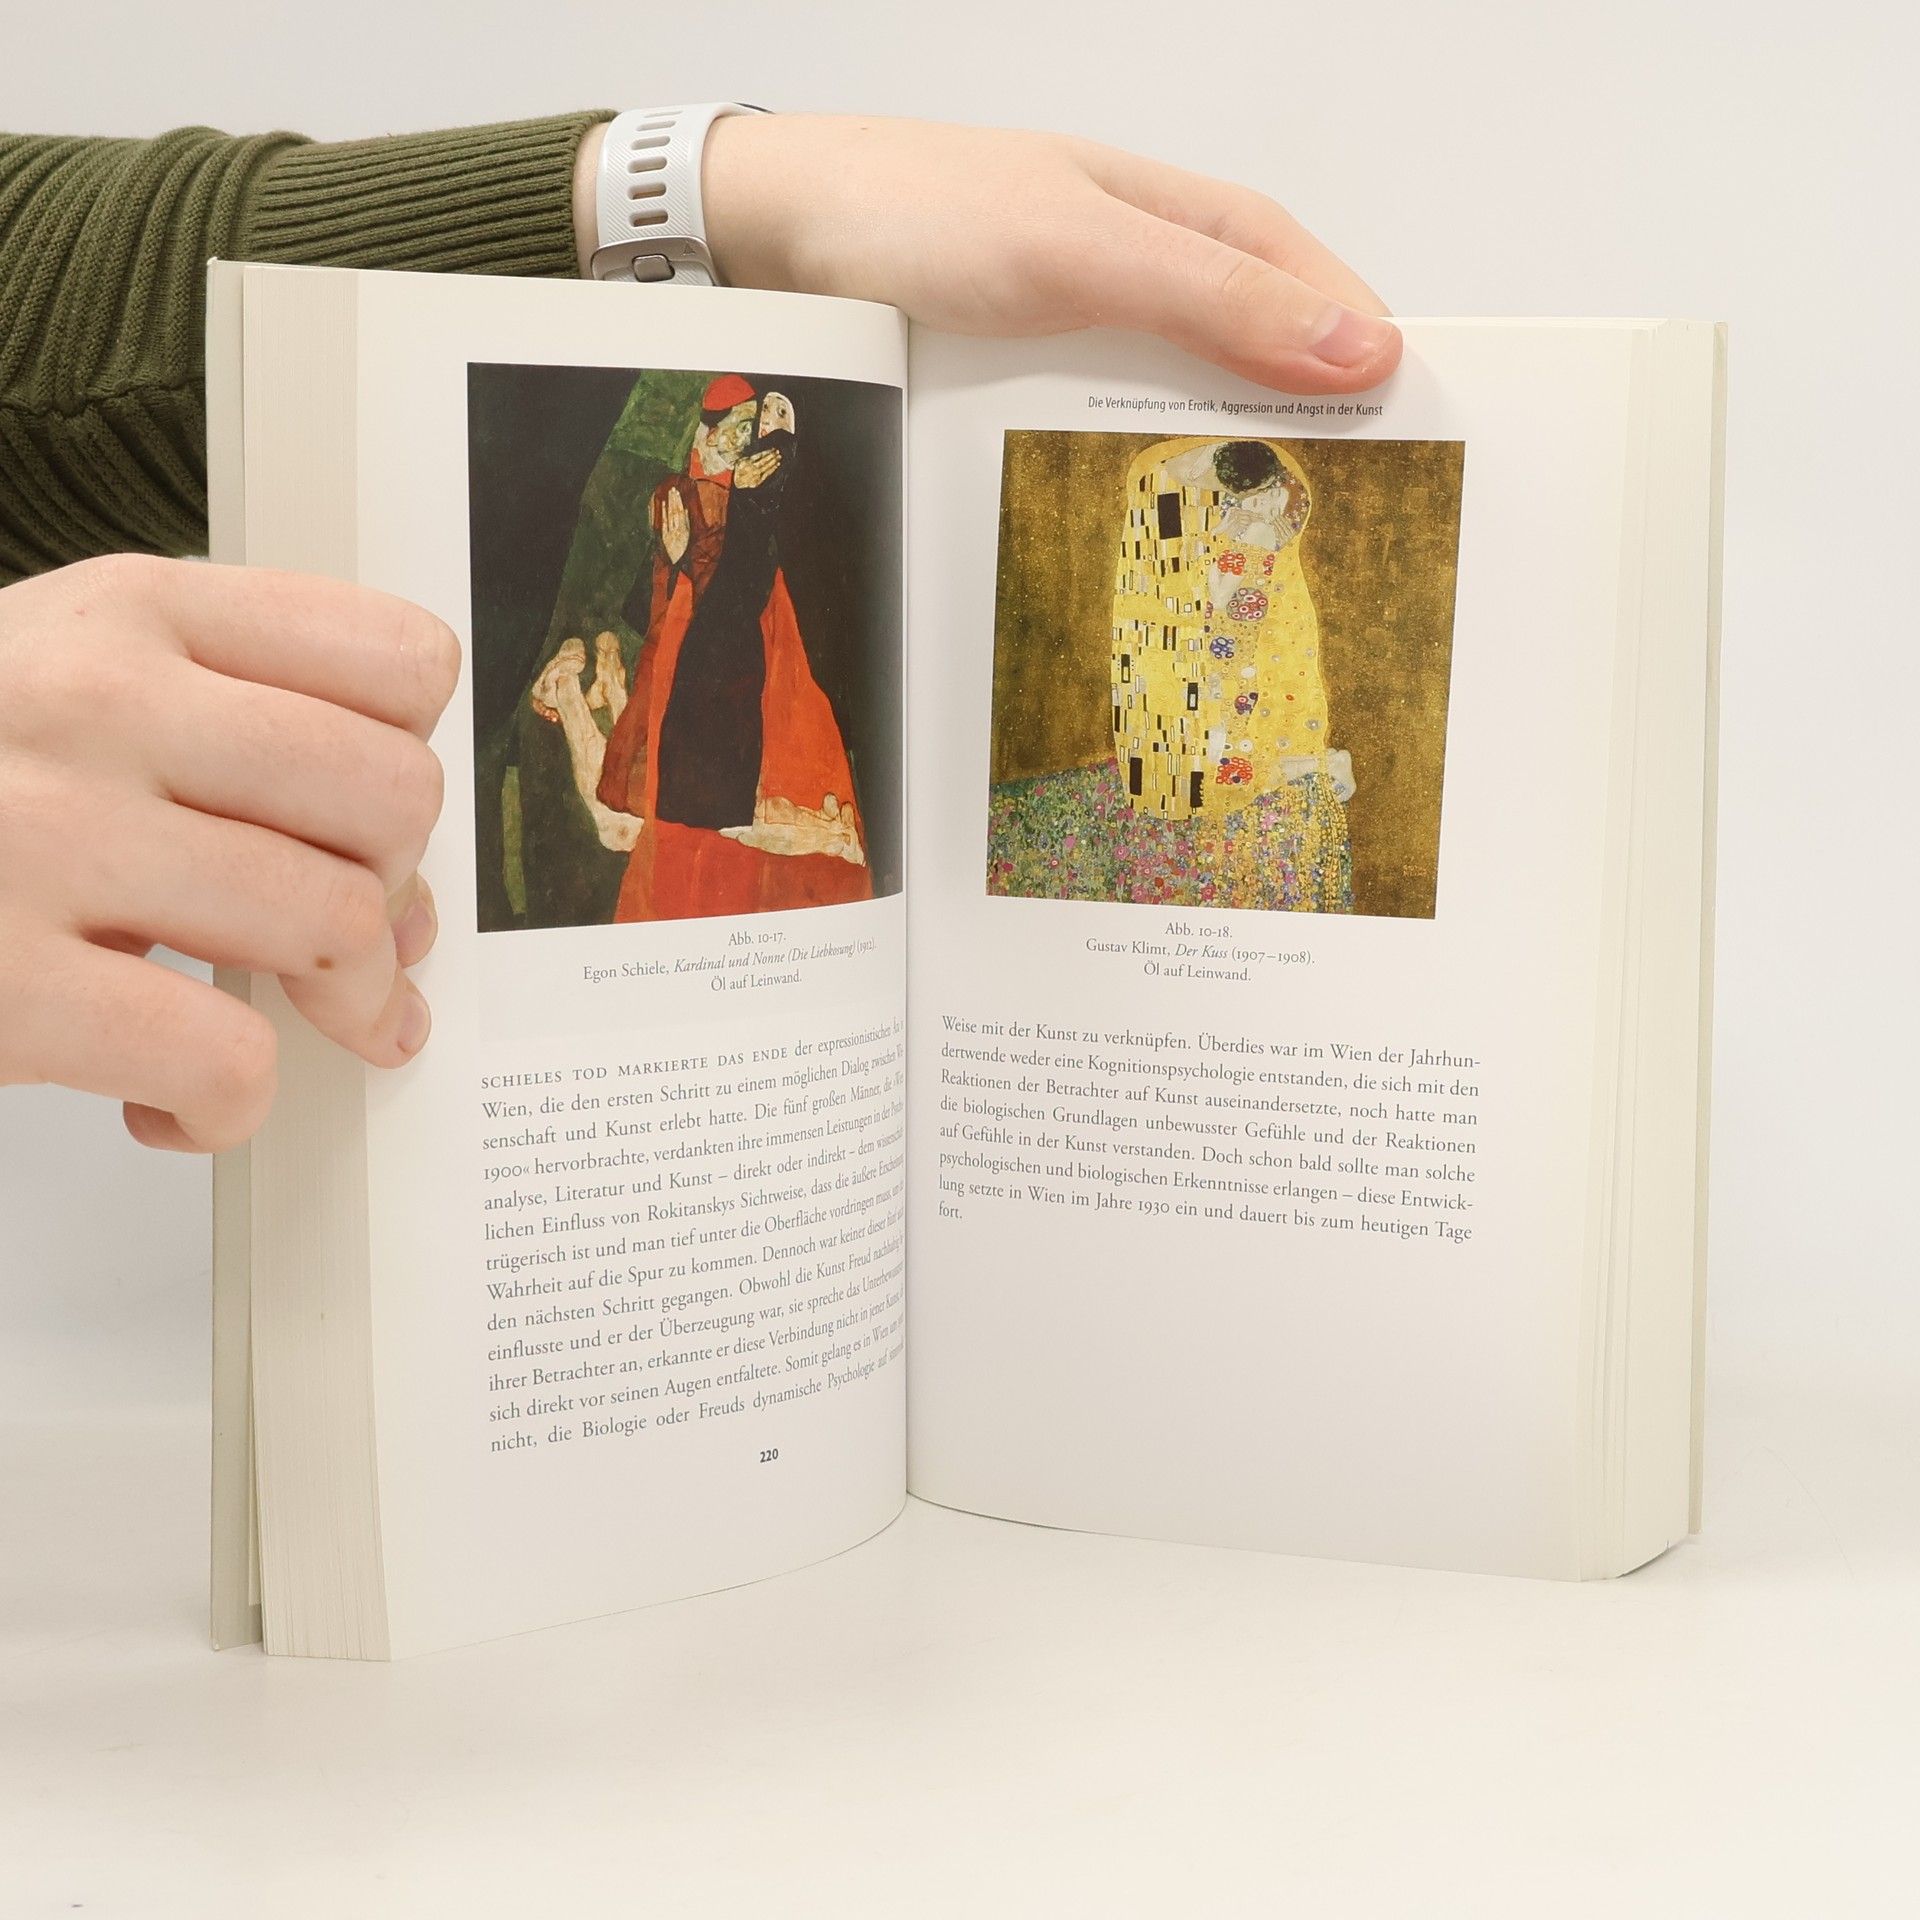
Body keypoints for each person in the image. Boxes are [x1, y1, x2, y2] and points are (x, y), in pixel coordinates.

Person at [0, 112, 1401, 1152]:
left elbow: (53, 328)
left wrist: (710, 190)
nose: (1238, 590)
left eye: (1260, 565)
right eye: (1210, 559)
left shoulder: (751, 591)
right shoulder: (724, 592)